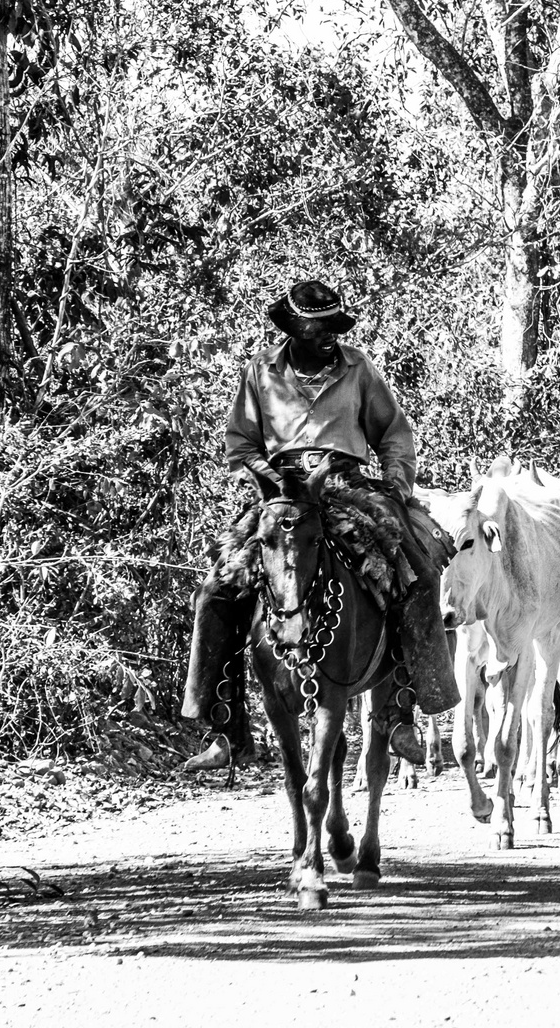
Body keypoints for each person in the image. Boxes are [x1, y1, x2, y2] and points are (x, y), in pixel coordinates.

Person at [179, 281, 460, 770]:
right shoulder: (260, 371)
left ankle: (400, 710)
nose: (329, 335)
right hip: (282, 490)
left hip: (348, 483)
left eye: (334, 325)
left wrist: (395, 483)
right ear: (294, 328)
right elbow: (240, 444)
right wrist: (271, 478)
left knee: (416, 570)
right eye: (318, 327)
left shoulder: (358, 368)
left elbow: (394, 433)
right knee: (217, 588)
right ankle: (224, 726)